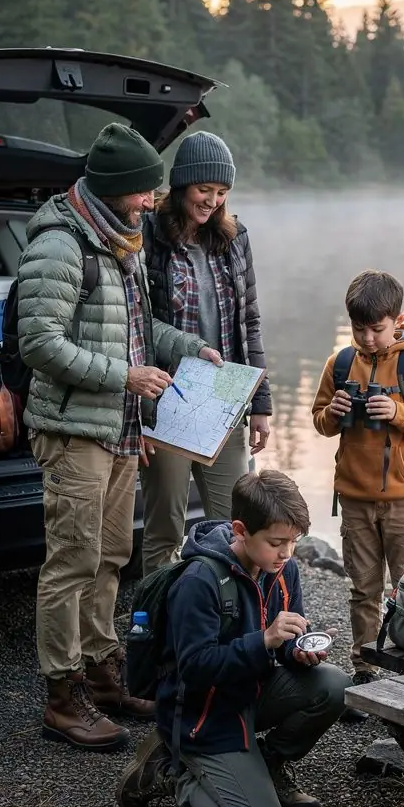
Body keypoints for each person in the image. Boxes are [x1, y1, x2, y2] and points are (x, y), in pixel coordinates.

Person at [18, 123, 221, 753]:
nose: (152, 203)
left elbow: (140, 329)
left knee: (109, 557)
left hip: (119, 431)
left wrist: (190, 349)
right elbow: (40, 345)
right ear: (113, 190)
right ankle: (62, 695)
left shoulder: (119, 242)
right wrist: (124, 378)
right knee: (71, 562)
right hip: (76, 428)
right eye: (143, 192)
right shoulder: (60, 246)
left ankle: (104, 674)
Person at [115, 470, 348, 807]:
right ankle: (172, 776)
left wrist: (298, 650)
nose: (287, 553)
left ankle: (269, 765)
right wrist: (264, 640)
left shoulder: (282, 568)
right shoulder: (199, 581)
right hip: (202, 714)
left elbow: (282, 639)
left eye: (293, 541)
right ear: (240, 530)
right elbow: (194, 668)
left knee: (334, 684)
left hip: (250, 691)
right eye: (276, 542)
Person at [311, 270, 404, 717]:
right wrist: (332, 414)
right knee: (362, 589)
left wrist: (399, 412)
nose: (368, 339)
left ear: (399, 321)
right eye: (360, 329)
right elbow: (319, 420)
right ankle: (366, 667)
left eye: (377, 329)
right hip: (354, 499)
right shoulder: (339, 364)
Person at [140, 130, 272, 574]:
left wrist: (261, 404)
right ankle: (158, 629)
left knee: (234, 524)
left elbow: (249, 322)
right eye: (204, 190)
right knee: (164, 529)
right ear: (181, 186)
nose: (213, 201)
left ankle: (227, 624)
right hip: (169, 402)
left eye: (221, 192)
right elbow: (138, 323)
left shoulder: (235, 239)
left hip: (226, 402)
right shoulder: (149, 235)